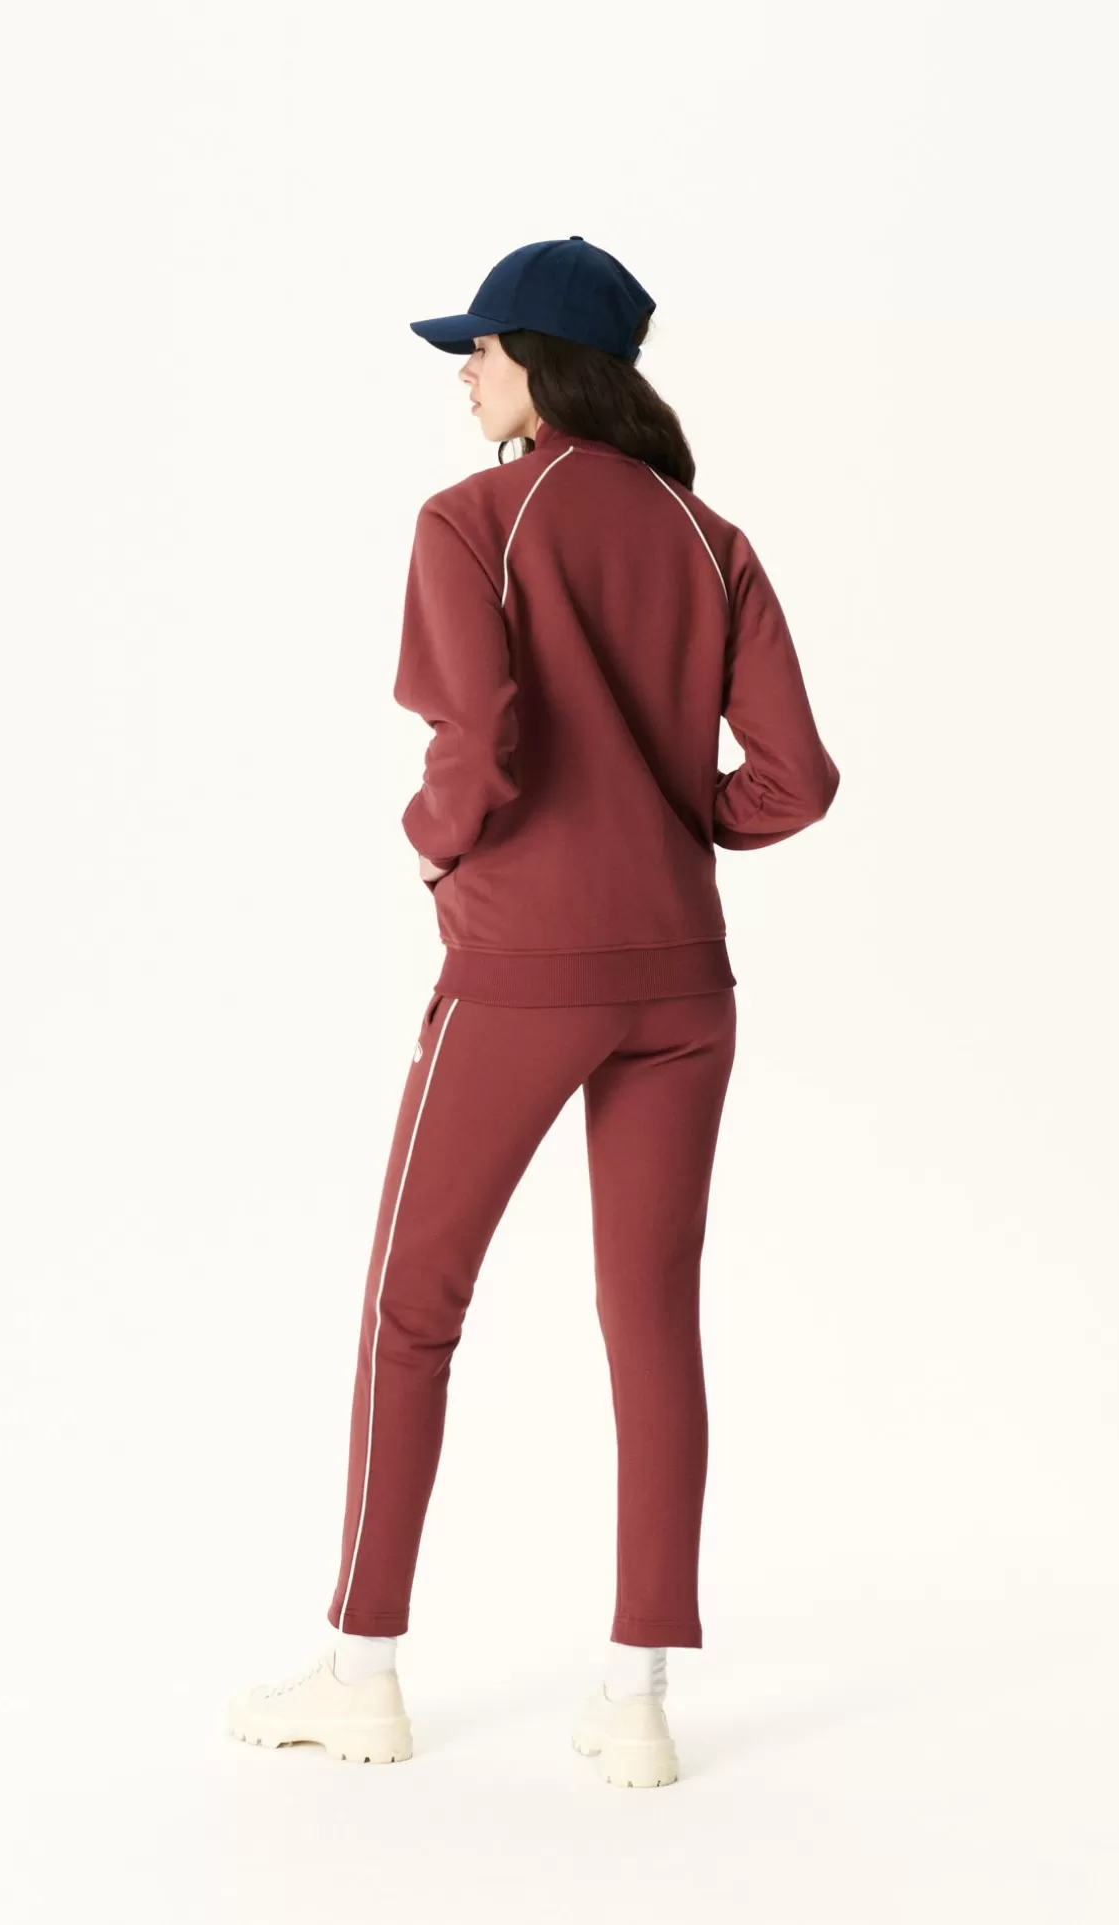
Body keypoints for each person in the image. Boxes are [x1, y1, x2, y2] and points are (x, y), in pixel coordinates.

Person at [229, 236, 840, 1787]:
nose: (465, 376)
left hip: (519, 972)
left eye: (483, 351)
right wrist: (672, 819)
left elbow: (478, 743)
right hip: (682, 984)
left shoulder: (470, 521)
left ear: (546, 366)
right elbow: (794, 781)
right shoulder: (713, 539)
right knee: (654, 1319)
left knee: (412, 1308)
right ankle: (636, 1705)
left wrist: (435, 847)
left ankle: (363, 1671)